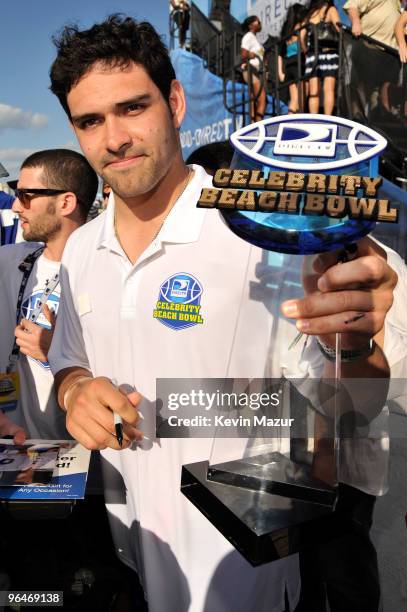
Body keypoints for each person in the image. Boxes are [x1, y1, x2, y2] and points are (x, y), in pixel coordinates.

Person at [47, 15, 406, 612]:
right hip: (133, 552)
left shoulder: (272, 226)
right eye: (90, 120)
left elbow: (360, 405)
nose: (114, 138)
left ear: (176, 101)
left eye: (133, 108)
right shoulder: (81, 248)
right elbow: (68, 363)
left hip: (250, 571)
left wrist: (358, 346)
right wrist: (75, 390)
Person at [0, 149, 98, 440]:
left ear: (66, 202)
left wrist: (58, 353)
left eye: (27, 196)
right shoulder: (11, 260)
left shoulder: (109, 270)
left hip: (91, 464)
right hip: (20, 451)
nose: (17, 207)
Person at [301, 0, 340, 114]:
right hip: (329, 53)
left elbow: (302, 35)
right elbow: (340, 30)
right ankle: (328, 118)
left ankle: (314, 117)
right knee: (329, 89)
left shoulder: (310, 14)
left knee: (314, 91)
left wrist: (306, 51)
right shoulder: (330, 9)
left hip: (312, 54)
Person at [278, 4, 307, 113]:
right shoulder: (300, 25)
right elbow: (302, 43)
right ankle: (300, 121)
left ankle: (290, 120)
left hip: (288, 65)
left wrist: (280, 72)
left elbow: (280, 53)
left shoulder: (287, 29)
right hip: (298, 62)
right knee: (301, 97)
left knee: (294, 99)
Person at [241, 15, 266, 122]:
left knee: (253, 99)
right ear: (251, 25)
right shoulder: (248, 36)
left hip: (256, 71)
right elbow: (243, 54)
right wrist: (252, 55)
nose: (260, 23)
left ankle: (253, 124)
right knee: (262, 98)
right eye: (257, 21)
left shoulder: (254, 38)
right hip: (251, 70)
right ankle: (258, 125)